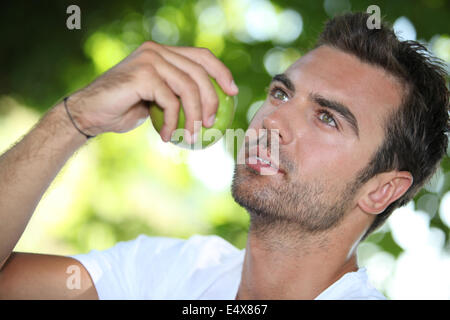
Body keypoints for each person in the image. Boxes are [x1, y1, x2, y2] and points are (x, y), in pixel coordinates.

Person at [0, 12, 448, 300]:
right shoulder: (169, 273)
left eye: (327, 118)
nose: (271, 121)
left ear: (381, 189)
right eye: (280, 93)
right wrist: (76, 119)